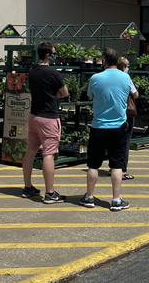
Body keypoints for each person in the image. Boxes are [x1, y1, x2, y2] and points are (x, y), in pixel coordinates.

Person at [80, 48, 134, 211]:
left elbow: (90, 95)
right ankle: (116, 200)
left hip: (99, 126)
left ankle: (89, 197)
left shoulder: (95, 78)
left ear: (103, 60)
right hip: (118, 127)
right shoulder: (125, 77)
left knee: (93, 165)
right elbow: (131, 93)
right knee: (117, 165)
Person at [23, 41, 68, 203]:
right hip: (48, 118)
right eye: (54, 54)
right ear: (48, 55)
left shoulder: (32, 71)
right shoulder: (52, 73)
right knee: (48, 153)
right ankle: (50, 193)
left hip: (34, 115)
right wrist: (54, 95)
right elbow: (65, 93)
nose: (54, 57)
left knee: (30, 151)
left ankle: (28, 187)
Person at [115, 56, 140, 180]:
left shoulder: (110, 77)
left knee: (114, 141)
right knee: (125, 141)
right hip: (126, 113)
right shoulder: (126, 78)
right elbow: (135, 94)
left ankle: (113, 168)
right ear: (124, 67)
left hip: (113, 112)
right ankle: (123, 170)